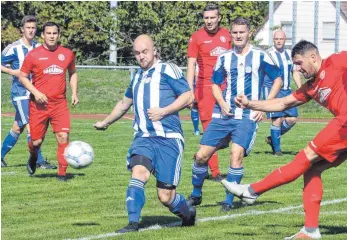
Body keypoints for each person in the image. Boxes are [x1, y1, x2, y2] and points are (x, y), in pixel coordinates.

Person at [223, 40, 347, 239]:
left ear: (313, 57)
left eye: (299, 64)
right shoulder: (311, 87)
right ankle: (310, 230)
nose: (296, 69)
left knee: (304, 157)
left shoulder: (336, 61)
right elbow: (282, 103)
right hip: (343, 128)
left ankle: (252, 191)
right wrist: (249, 104)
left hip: (344, 123)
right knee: (312, 169)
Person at [94, 34, 196, 233]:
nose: (141, 57)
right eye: (137, 53)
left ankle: (187, 212)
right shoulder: (136, 76)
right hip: (143, 137)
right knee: (138, 173)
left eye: (145, 52)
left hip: (169, 139)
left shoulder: (168, 69)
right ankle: (133, 223)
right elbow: (125, 103)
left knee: (165, 196)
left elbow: (188, 95)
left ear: (154, 50)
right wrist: (105, 122)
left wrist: (164, 111)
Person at [187, 17, 282, 212]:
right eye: (235, 32)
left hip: (247, 116)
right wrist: (221, 102)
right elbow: (215, 84)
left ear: (250, 33)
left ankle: (228, 201)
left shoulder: (261, 56)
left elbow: (278, 81)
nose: (238, 36)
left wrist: (262, 107)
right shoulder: (224, 57)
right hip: (223, 114)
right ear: (231, 34)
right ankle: (196, 194)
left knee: (235, 155)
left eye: (242, 32)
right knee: (201, 156)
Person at [19, 21, 79, 181]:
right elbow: (22, 76)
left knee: (63, 137)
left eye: (54, 33)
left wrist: (74, 92)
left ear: (58, 35)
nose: (52, 36)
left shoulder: (67, 54)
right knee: (37, 141)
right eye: (48, 33)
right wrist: (36, 92)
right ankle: (33, 156)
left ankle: (62, 173)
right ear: (43, 35)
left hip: (59, 104)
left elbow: (72, 73)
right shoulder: (33, 55)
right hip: (38, 105)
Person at [1, 16, 56, 169]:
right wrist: (13, 72)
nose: (31, 30)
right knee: (33, 126)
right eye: (28, 28)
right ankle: (38, 161)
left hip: (35, 93)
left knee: (17, 127)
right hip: (20, 94)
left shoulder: (39, 47)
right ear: (22, 29)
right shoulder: (14, 48)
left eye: (33, 28)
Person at [187, 3, 232, 181]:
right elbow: (191, 64)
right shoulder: (196, 37)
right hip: (204, 88)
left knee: (230, 128)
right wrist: (189, 89)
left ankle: (201, 154)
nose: (209, 21)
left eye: (213, 17)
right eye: (206, 18)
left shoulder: (228, 35)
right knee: (209, 129)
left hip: (225, 87)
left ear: (219, 18)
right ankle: (215, 172)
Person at [262, 29, 302, 156]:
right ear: (273, 40)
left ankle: (272, 139)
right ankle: (277, 151)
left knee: (292, 119)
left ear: (285, 40)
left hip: (287, 91)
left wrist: (300, 87)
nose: (279, 41)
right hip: (273, 90)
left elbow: (294, 72)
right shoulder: (268, 54)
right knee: (277, 120)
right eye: (276, 39)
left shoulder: (289, 54)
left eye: (281, 39)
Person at [191, 64, 201, 136]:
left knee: (195, 107)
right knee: (195, 107)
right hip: (197, 87)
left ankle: (196, 130)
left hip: (199, 87)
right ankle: (196, 129)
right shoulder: (196, 64)